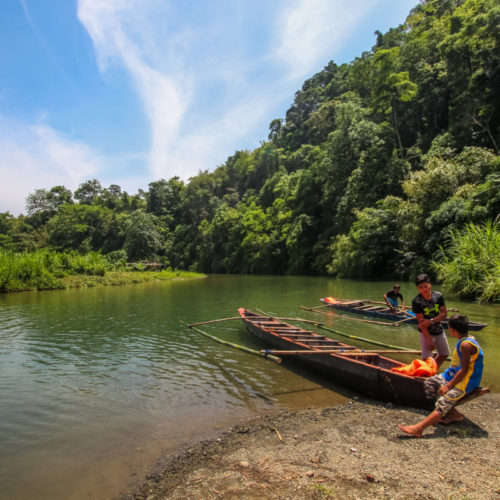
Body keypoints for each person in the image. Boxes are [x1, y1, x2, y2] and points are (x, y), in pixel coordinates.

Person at [398, 314, 484, 437]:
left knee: (444, 401)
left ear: (452, 329)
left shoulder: (466, 345)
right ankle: (453, 414)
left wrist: (448, 386)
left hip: (466, 381)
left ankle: (419, 428)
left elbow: (464, 370)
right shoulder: (465, 339)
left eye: (449, 328)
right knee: (429, 383)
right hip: (452, 375)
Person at [411, 273, 449, 368]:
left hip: (439, 330)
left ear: (430, 284)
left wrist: (430, 321)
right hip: (426, 333)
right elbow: (421, 324)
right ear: (418, 288)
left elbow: (444, 314)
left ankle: (432, 371)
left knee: (444, 354)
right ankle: (426, 375)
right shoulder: (416, 301)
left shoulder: (438, 296)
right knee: (426, 359)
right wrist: (428, 339)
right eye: (421, 287)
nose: (424, 289)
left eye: (426, 286)